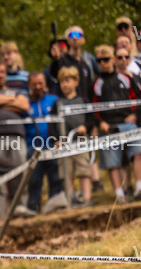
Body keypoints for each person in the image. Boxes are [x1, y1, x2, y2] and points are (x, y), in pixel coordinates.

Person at [92, 44, 141, 203]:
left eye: (106, 59)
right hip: (108, 126)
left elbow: (138, 98)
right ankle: (120, 195)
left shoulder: (126, 78)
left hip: (127, 123)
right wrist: (100, 122)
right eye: (99, 60)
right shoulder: (97, 83)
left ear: (112, 60)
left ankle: (140, 188)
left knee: (139, 151)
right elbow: (93, 106)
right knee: (112, 161)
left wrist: (135, 114)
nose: (103, 63)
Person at [0, 61, 33, 219]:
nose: (1, 75)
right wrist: (11, 101)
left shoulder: (15, 91)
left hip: (17, 136)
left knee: (20, 173)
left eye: (3, 72)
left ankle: (20, 209)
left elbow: (24, 106)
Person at [51, 67, 94, 207]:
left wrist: (86, 127)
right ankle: (70, 200)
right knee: (66, 173)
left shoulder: (83, 100)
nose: (65, 84)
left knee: (84, 170)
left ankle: (86, 198)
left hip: (81, 140)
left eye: (68, 81)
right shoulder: (57, 104)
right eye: (62, 81)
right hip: (63, 143)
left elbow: (92, 118)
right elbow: (51, 123)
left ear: (76, 82)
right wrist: (55, 140)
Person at [24, 72, 63, 213]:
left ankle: (55, 207)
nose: (38, 87)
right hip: (33, 148)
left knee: (56, 178)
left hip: (53, 145)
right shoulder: (25, 104)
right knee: (34, 181)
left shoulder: (54, 100)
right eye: (34, 84)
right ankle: (33, 209)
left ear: (45, 83)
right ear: (29, 85)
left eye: (40, 83)